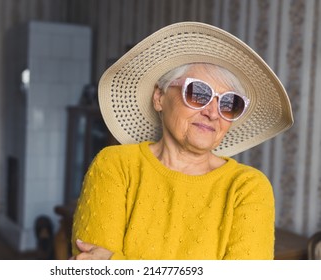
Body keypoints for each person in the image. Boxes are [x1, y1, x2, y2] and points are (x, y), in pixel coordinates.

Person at [70, 22, 294, 260]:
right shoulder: (115, 165)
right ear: (159, 97)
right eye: (199, 93)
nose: (212, 112)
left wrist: (114, 263)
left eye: (229, 103)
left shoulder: (247, 187)